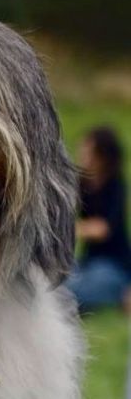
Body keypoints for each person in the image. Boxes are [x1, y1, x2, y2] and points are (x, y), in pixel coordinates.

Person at [67, 127, 131, 312]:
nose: (81, 155)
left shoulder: (115, 186)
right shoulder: (82, 184)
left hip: (114, 266)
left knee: (76, 290)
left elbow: (102, 229)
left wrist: (72, 228)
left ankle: (120, 293)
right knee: (57, 280)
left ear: (101, 157)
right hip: (88, 261)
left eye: (87, 151)